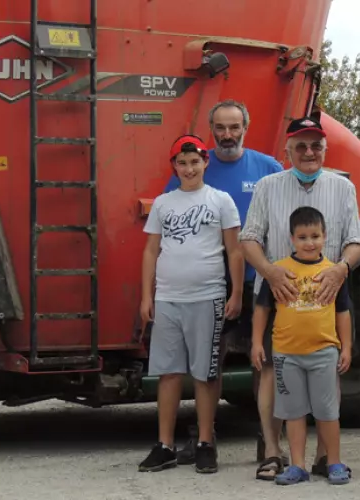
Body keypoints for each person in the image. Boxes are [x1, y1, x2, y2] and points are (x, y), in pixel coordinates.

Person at [239, 113, 360, 481]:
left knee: (330, 373)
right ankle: (273, 452)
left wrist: (341, 269)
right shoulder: (267, 186)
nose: (309, 152)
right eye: (301, 146)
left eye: (316, 146)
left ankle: (326, 457)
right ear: (288, 151)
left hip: (326, 299)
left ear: (324, 149)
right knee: (270, 373)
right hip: (278, 297)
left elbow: (356, 242)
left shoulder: (343, 187)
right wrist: (270, 271)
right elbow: (248, 239)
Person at [163, 100, 283, 464]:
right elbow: (171, 220)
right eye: (220, 128)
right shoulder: (196, 167)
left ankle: (268, 442)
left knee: (265, 362)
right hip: (212, 285)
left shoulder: (269, 168)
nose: (227, 134)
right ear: (211, 129)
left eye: (234, 127)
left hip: (262, 282)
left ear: (246, 127)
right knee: (207, 364)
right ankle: (205, 439)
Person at [138, 134, 244, 474]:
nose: (189, 169)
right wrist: (147, 296)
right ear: (174, 166)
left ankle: (205, 443)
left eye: (195, 162)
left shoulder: (220, 200)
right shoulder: (163, 203)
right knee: (169, 373)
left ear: (205, 162)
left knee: (205, 373)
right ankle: (165, 445)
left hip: (208, 296)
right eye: (182, 163)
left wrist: (236, 293)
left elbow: (235, 250)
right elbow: (151, 251)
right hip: (168, 298)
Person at [251, 206, 353, 486]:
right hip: (286, 355)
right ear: (292, 239)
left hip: (324, 353)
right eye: (303, 237)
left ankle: (334, 462)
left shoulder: (333, 273)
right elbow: (262, 309)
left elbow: (343, 313)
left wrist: (346, 347)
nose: (310, 243)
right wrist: (257, 342)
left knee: (327, 412)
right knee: (293, 413)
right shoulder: (278, 272)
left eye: (315, 236)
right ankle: (297, 466)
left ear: (325, 236)